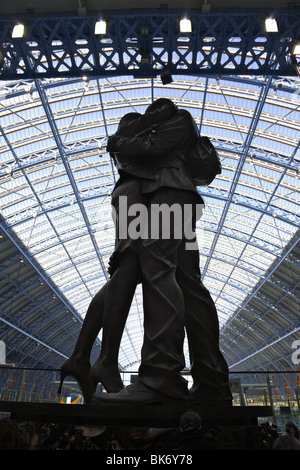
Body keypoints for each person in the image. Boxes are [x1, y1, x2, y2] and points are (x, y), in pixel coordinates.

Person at [92, 98, 232, 406]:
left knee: (158, 271)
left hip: (168, 194)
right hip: (177, 197)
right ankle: (212, 382)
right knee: (189, 284)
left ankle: (161, 377)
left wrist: (119, 139)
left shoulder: (180, 119)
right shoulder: (162, 124)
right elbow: (128, 153)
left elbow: (142, 148)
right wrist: (129, 141)